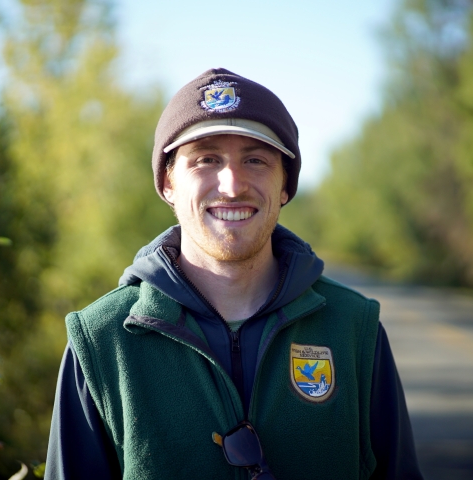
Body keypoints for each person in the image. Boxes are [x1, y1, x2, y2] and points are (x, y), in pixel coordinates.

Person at [45, 68, 424, 479]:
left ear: (285, 185)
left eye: (255, 159)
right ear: (168, 183)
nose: (232, 184)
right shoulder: (103, 341)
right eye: (206, 159)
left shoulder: (353, 329)